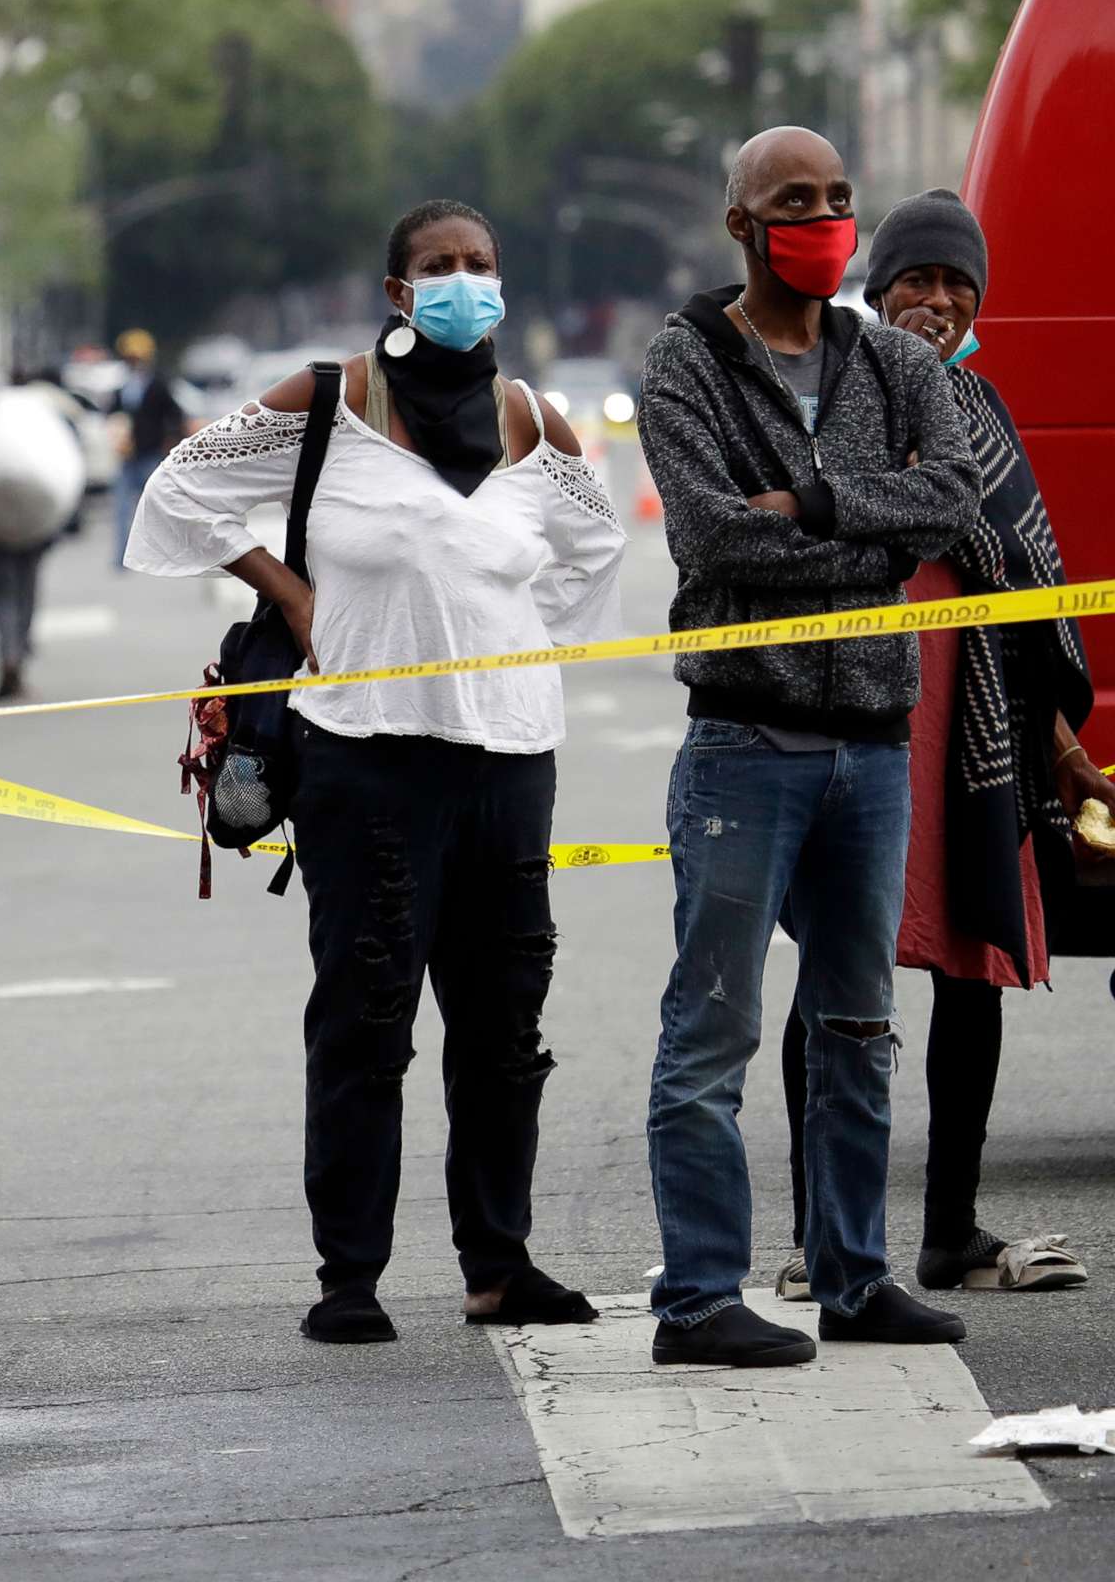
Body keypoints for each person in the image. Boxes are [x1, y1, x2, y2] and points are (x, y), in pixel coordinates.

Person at [126, 197, 627, 1345]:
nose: (465, 282)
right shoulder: (330, 402)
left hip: (508, 762)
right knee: (365, 1023)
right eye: (440, 266)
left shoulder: (534, 423)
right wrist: (290, 592)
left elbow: (594, 551)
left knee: (505, 1030)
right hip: (364, 761)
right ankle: (348, 1275)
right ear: (399, 293)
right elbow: (180, 491)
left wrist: (507, 640)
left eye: (482, 264)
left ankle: (499, 1265)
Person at [636, 128, 981, 1368]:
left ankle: (854, 1276)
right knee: (713, 1029)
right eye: (796, 201)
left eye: (839, 199)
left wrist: (826, 506)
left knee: (855, 1023)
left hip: (873, 748)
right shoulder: (685, 363)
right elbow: (716, 542)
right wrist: (871, 539)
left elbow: (952, 496)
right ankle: (700, 1300)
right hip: (747, 744)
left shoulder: (893, 361)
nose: (827, 218)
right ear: (741, 223)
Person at [771, 189, 1104, 1302]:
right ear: (879, 287)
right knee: (834, 981)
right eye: (917, 279)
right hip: (865, 727)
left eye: (959, 285)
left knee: (976, 976)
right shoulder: (841, 398)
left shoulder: (985, 409)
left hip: (983, 734)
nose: (939, 299)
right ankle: (822, 1236)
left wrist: (1063, 750)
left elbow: (1025, 588)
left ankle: (949, 1233)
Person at [0, 371, 85, 701]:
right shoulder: (42, 409)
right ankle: (17, 656)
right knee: (25, 591)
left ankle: (9, 657)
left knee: (4, 596)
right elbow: (67, 452)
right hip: (34, 526)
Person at [110, 329, 190, 567]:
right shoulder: (121, 388)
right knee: (122, 508)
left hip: (151, 453)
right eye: (129, 358)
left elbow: (176, 415)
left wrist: (172, 439)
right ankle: (122, 557)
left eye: (137, 358)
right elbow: (113, 415)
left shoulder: (158, 385)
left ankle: (164, 553)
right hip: (127, 456)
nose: (133, 363)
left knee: (157, 506)